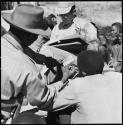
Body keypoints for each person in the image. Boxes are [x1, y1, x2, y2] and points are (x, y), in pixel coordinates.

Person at [1, 4, 76, 124]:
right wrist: (62, 81)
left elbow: (22, 50)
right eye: (35, 34)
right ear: (28, 34)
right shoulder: (25, 66)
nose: (36, 38)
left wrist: (45, 59)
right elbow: (42, 99)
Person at [48, 50, 122, 123]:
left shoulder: (77, 85)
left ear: (82, 71)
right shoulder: (118, 77)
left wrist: (63, 79)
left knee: (62, 109)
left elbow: (49, 103)